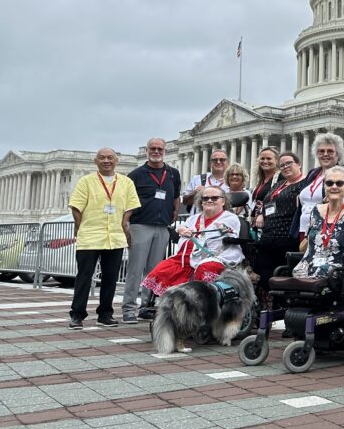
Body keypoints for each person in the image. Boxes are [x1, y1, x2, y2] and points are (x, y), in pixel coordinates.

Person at [68, 148, 141, 329]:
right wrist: (80, 227)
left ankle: (105, 313)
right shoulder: (86, 181)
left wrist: (124, 223)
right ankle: (77, 314)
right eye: (102, 158)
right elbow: (76, 207)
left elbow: (131, 205)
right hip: (91, 235)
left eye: (110, 158)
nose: (106, 161)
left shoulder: (126, 182)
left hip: (114, 236)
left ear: (116, 160)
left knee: (110, 277)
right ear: (96, 161)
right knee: (84, 276)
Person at [141, 185, 243, 296]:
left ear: (223, 201)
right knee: (162, 268)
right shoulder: (193, 218)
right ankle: (168, 304)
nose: (209, 200)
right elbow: (181, 227)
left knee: (205, 268)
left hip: (215, 257)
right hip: (185, 259)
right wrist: (181, 229)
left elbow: (223, 234)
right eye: (205, 198)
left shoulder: (230, 218)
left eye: (214, 198)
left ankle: (201, 300)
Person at [123, 138, 182, 324]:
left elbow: (176, 197)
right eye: (153, 148)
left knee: (154, 271)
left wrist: (174, 213)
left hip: (162, 226)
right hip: (140, 225)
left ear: (165, 151)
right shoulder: (136, 175)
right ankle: (128, 308)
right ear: (147, 150)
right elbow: (126, 202)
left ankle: (146, 307)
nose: (156, 151)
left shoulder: (173, 174)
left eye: (160, 149)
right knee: (135, 269)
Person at [292, 166, 344, 279]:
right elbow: (305, 244)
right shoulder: (315, 211)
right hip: (307, 267)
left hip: (334, 270)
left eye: (339, 183)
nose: (334, 186)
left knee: (321, 273)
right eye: (329, 183)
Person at [252, 152, 304, 291]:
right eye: (282, 165)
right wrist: (261, 214)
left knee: (282, 279)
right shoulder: (279, 184)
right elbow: (267, 203)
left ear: (298, 164)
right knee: (263, 276)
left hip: (287, 237)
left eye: (289, 163)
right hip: (268, 236)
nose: (285, 167)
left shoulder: (304, 184)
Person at [291, 133, 343, 239]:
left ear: (337, 154)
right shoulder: (312, 173)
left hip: (325, 230)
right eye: (321, 151)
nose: (325, 154)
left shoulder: (341, 174)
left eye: (330, 151)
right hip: (304, 228)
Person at [182, 149, 229, 215]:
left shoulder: (231, 182)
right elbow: (185, 201)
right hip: (198, 222)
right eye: (215, 160)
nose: (218, 162)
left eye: (222, 159)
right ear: (210, 163)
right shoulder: (198, 179)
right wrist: (195, 193)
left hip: (222, 222)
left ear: (227, 162)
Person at [251, 147, 279, 224]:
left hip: (271, 222)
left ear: (276, 160)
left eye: (269, 158)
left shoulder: (280, 177)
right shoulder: (260, 180)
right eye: (262, 159)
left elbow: (281, 200)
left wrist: (263, 211)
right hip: (257, 223)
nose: (265, 161)